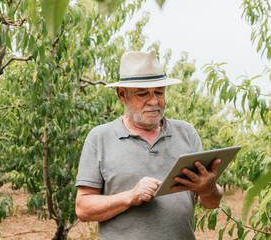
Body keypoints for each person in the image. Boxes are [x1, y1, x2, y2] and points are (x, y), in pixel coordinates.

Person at [75, 50, 223, 240]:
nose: (154, 101)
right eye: (143, 94)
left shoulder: (186, 133)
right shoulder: (100, 138)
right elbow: (83, 208)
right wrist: (130, 196)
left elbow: (211, 203)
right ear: (122, 94)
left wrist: (209, 188)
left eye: (159, 92)